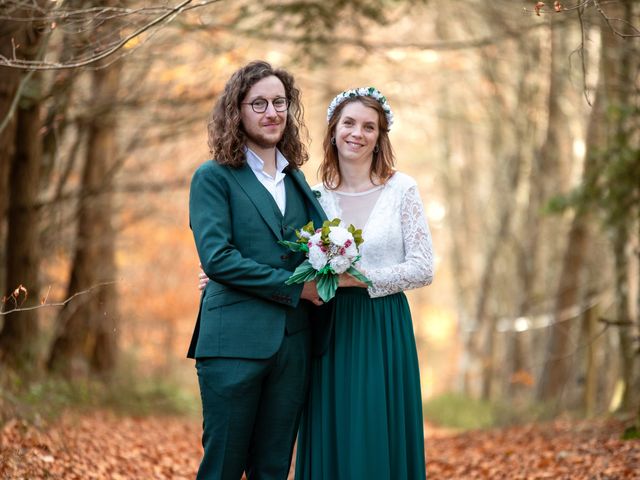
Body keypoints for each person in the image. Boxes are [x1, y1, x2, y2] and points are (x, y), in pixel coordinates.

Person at [188, 60, 328, 480]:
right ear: (237, 111)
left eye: (280, 103)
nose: (272, 113)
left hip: (294, 346)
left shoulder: (298, 181)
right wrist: (296, 289)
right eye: (260, 103)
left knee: (272, 469)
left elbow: (319, 254)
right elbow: (218, 258)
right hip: (231, 343)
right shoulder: (213, 178)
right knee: (223, 467)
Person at [294, 87, 434, 480]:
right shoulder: (314, 196)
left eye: (369, 126)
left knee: (376, 425)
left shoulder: (402, 189)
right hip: (329, 327)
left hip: (383, 326)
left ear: (380, 136)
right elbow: (286, 257)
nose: (358, 133)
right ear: (334, 130)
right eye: (349, 123)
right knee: (335, 426)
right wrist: (219, 276)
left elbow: (423, 267)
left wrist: (362, 280)